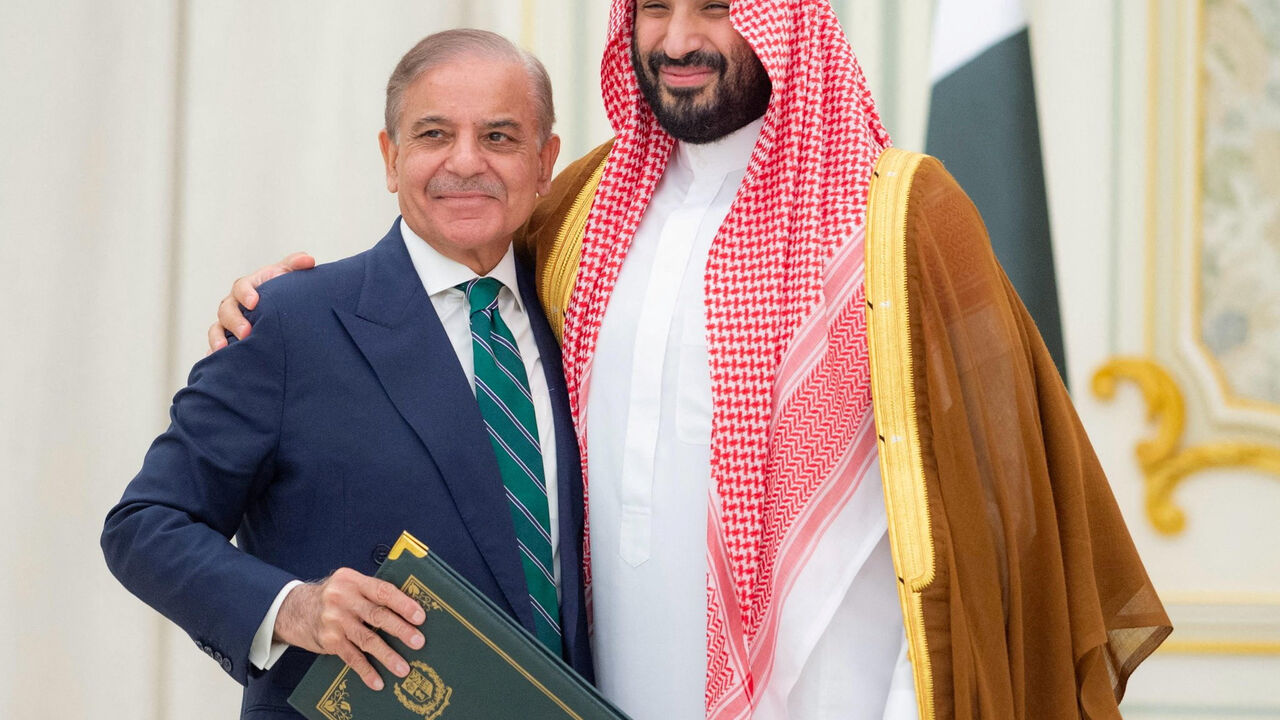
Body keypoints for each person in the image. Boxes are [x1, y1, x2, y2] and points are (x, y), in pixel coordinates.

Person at [213, 2, 1171, 719]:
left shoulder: (900, 220)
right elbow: (435, 318)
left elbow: (1001, 513)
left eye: (716, 6)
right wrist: (271, 312)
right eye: (655, 7)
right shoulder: (582, 206)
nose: (677, 39)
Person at [102, 29, 592, 718]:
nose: (465, 162)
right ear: (391, 158)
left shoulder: (580, 320)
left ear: (545, 164)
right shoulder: (288, 324)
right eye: (432, 134)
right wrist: (292, 608)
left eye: (500, 137)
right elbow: (144, 526)